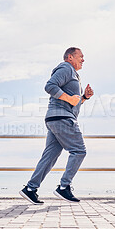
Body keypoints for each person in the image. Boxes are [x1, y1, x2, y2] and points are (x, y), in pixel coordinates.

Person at [19, 47, 94, 204]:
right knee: (79, 150)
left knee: (50, 155)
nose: (83, 59)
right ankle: (64, 187)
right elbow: (50, 86)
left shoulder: (73, 74)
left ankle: (30, 189)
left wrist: (84, 97)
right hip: (62, 118)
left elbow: (73, 101)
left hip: (56, 118)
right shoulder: (66, 68)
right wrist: (69, 98)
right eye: (81, 56)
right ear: (69, 57)